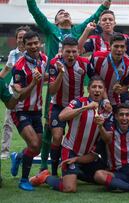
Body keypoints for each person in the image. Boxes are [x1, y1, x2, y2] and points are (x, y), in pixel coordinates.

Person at [26, 0, 111, 172]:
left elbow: (93, 18)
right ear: (56, 21)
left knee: (75, 133)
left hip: (76, 100)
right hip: (55, 92)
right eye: (61, 13)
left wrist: (104, 6)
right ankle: (45, 165)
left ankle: (73, 164)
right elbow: (35, 11)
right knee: (50, 130)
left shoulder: (77, 31)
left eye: (67, 13)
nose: (65, 13)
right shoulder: (51, 29)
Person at [29, 76, 111, 192]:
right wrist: (85, 108)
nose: (97, 90)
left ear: (104, 91)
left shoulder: (107, 110)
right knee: (69, 188)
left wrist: (101, 125)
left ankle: (73, 172)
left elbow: (107, 139)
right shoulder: (79, 102)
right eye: (94, 87)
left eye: (100, 87)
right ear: (88, 89)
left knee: (103, 178)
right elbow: (62, 116)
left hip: (88, 156)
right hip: (70, 151)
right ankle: (45, 177)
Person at [48, 37, 93, 176]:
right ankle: (54, 172)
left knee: (78, 139)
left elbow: (96, 81)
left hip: (77, 106)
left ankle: (75, 168)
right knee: (57, 137)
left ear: (79, 51)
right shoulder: (55, 63)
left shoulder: (85, 64)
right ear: (62, 51)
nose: (71, 55)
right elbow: (52, 90)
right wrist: (61, 73)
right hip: (58, 105)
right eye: (68, 52)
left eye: (74, 51)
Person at [9, 31, 48, 191]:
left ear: (40, 43)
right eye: (29, 44)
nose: (33, 46)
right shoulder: (19, 66)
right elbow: (18, 94)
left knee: (37, 147)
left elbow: (45, 78)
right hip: (20, 110)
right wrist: (33, 83)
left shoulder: (44, 60)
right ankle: (23, 180)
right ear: (23, 46)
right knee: (33, 144)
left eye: (35, 43)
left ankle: (17, 156)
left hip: (36, 110)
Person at [0, 26, 30, 159]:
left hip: (29, 93)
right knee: (8, 123)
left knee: (30, 123)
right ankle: (5, 151)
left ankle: (30, 150)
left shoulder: (33, 53)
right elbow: (7, 69)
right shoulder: (13, 54)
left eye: (24, 37)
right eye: (19, 37)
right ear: (16, 39)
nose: (21, 40)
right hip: (13, 93)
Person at [89, 34, 129, 110]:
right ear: (110, 47)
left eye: (122, 46)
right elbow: (93, 80)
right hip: (96, 100)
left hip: (115, 102)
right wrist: (105, 100)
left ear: (126, 48)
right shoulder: (96, 58)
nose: (119, 49)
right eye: (116, 46)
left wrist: (121, 89)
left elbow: (126, 85)